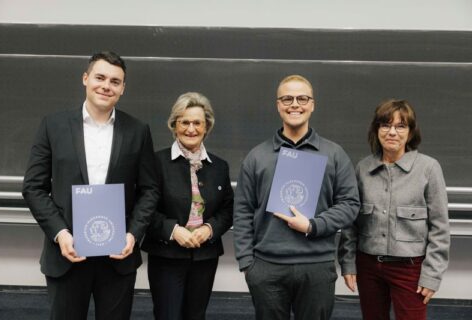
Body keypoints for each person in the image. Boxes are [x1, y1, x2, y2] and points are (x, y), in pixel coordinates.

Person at [22, 51, 159, 320]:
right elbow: (33, 187)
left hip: (117, 257)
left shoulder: (138, 130)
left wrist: (132, 234)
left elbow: (149, 190)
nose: (106, 86)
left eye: (115, 81)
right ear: (85, 79)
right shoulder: (53, 126)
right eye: (100, 77)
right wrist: (61, 234)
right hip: (67, 255)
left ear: (122, 89)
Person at [233, 74, 360, 320]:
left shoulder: (334, 154)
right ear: (278, 105)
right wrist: (248, 264)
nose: (295, 104)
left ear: (312, 104)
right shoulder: (256, 156)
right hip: (266, 267)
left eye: (302, 98)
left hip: (317, 266)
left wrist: (314, 225)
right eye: (287, 98)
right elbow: (242, 211)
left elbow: (350, 205)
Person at [339, 99, 450, 320]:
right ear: (376, 130)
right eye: (385, 125)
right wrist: (348, 263)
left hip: (410, 269)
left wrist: (432, 275)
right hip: (368, 266)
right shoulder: (363, 168)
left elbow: (440, 228)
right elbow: (351, 224)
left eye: (400, 126)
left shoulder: (428, 168)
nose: (392, 132)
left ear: (410, 132)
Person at [141, 92, 234, 320]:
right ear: (174, 125)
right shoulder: (155, 162)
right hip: (166, 256)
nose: (191, 129)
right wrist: (173, 230)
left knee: (196, 316)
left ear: (206, 126)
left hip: (205, 258)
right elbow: (143, 209)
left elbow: (228, 210)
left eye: (197, 123)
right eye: (184, 122)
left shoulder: (219, 166)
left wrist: (209, 229)